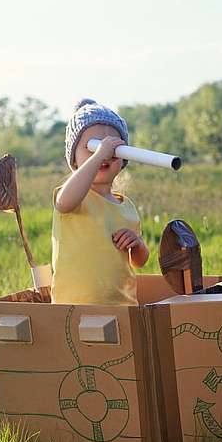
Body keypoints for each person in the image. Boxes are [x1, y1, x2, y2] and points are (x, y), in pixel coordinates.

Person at [51, 99, 149, 305]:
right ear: (74, 160)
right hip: (73, 306)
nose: (104, 154)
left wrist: (137, 245)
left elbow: (138, 262)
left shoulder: (126, 207)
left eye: (113, 149)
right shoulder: (75, 197)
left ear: (122, 159)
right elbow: (63, 203)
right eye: (92, 147)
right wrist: (99, 156)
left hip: (121, 305)